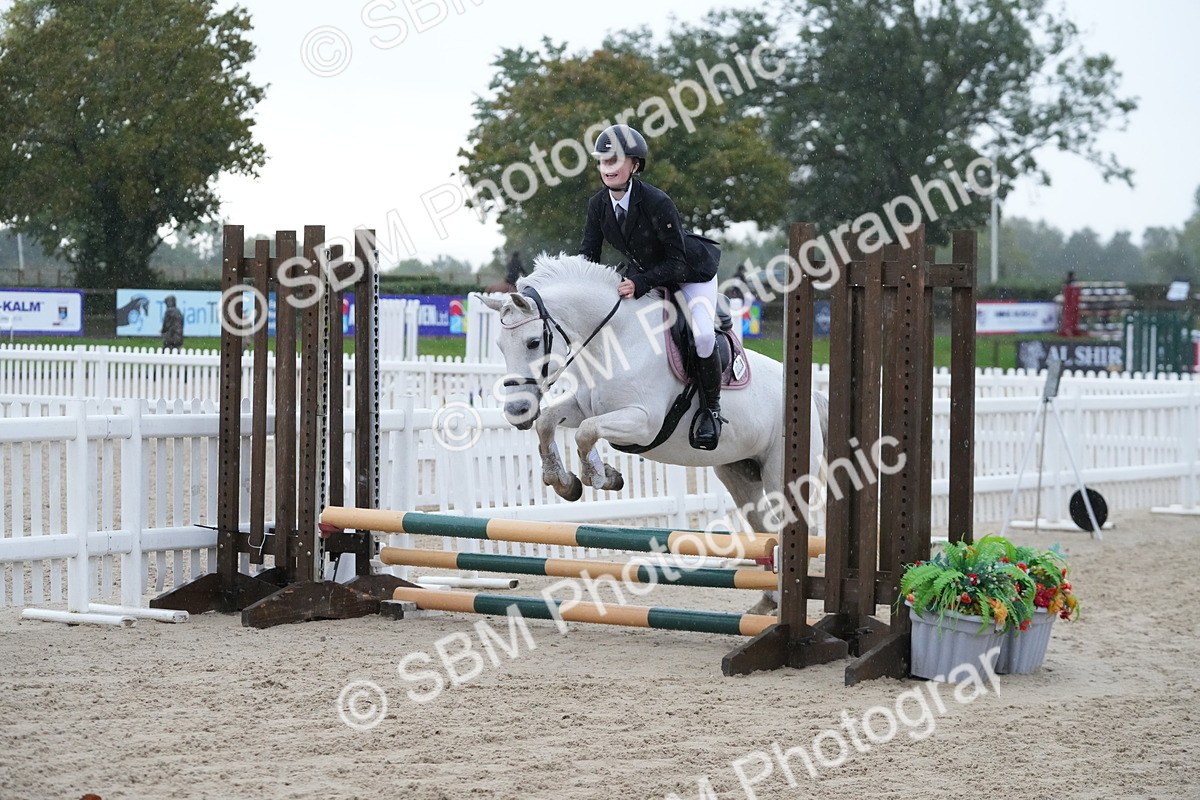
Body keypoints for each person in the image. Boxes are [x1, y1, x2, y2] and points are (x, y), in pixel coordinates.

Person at [578, 124, 724, 450]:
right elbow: (588, 256)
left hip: (689, 274)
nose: (608, 167)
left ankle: (711, 409)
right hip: (643, 274)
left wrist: (640, 282)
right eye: (603, 161)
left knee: (702, 334)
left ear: (635, 165)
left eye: (616, 160)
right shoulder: (598, 205)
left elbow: (676, 262)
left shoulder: (657, 201)